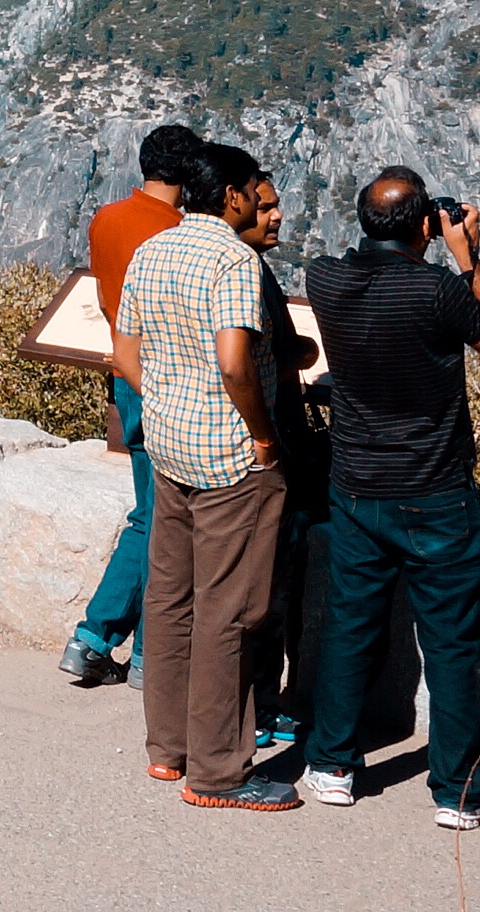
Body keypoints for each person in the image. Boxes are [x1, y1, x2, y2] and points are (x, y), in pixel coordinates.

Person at [300, 168, 480, 829]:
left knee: (351, 623)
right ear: (426, 224)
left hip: (355, 488)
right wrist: (469, 260)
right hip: (434, 494)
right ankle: (459, 791)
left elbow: (358, 265)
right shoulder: (437, 291)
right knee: (451, 642)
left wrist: (422, 236)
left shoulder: (325, 278)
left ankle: (333, 765)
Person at [113, 144, 296, 809]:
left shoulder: (153, 249)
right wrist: (263, 433)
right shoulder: (233, 260)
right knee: (229, 612)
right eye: (254, 190)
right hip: (229, 460)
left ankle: (168, 750)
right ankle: (218, 773)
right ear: (233, 195)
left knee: (169, 598)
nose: (258, 201)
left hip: (169, 449)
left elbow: (123, 351)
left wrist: (163, 399)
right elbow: (234, 361)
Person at [62, 120, 201, 688]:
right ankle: (117, 642)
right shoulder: (181, 233)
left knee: (152, 514)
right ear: (190, 175)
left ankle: (110, 643)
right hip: (171, 378)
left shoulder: (107, 219)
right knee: (161, 520)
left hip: (125, 372)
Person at [215, 145, 325, 758]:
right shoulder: (245, 271)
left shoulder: (237, 263)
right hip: (266, 443)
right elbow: (246, 361)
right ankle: (263, 706)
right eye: (267, 206)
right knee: (269, 588)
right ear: (238, 206)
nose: (278, 216)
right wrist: (302, 354)